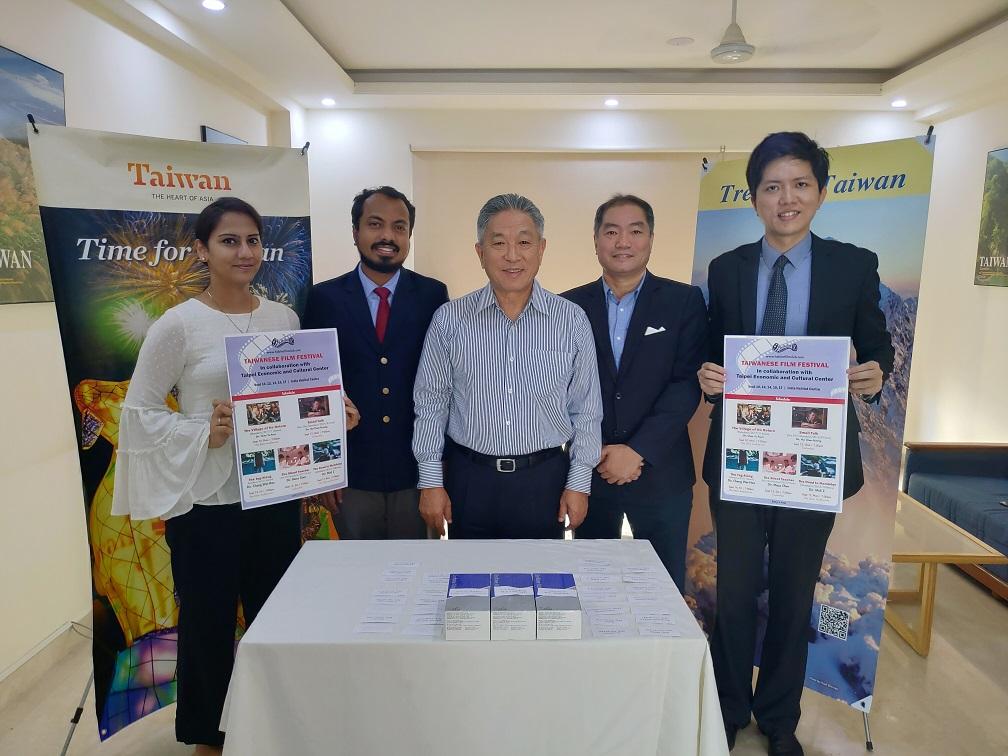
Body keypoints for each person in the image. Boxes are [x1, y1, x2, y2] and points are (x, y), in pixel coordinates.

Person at [111, 197, 359, 754]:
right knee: (209, 627)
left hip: (273, 495)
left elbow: (294, 398)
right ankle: (208, 738)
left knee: (276, 617)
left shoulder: (283, 318)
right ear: (201, 249)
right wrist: (204, 430)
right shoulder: (178, 325)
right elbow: (139, 412)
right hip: (206, 503)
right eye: (229, 241)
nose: (244, 252)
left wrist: (330, 415)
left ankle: (273, 725)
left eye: (252, 240)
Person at [697, 132, 894, 756]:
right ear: (754, 198)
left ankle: (779, 721)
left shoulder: (853, 265)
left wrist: (875, 374)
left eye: (799, 184)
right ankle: (727, 711)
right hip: (742, 456)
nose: (786, 198)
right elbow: (711, 347)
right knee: (731, 595)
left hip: (813, 459)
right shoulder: (727, 269)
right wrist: (708, 373)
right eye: (772, 187)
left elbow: (878, 344)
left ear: (821, 192)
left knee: (791, 589)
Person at [413, 193, 602, 539]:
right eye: (498, 243)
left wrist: (579, 483)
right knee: (467, 584)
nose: (512, 255)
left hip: (544, 482)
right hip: (468, 481)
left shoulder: (571, 321)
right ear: (480, 252)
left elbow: (586, 410)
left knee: (540, 586)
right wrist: (430, 482)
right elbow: (431, 404)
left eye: (524, 242)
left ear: (541, 249)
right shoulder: (450, 320)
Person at [562, 194, 706, 590]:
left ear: (651, 238)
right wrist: (598, 450)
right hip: (590, 472)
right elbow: (561, 389)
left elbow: (685, 383)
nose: (622, 242)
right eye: (611, 231)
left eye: (634, 231)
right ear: (596, 240)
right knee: (592, 588)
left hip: (662, 476)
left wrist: (637, 450)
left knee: (662, 592)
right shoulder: (568, 307)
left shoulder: (684, 301)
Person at [303, 186, 448, 539]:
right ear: (355, 233)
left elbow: (446, 385)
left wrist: (439, 474)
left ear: (409, 235)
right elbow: (310, 389)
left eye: (399, 227)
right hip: (351, 476)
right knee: (357, 578)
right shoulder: (324, 298)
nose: (387, 236)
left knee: (415, 575)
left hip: (415, 473)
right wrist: (325, 470)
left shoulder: (433, 296)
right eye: (375, 224)